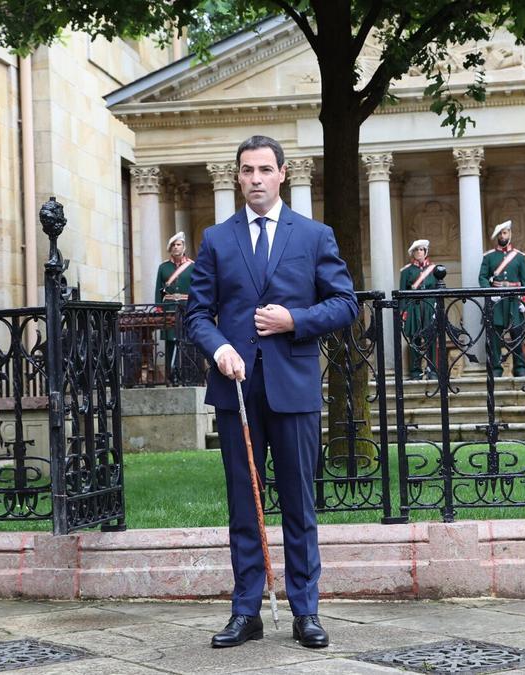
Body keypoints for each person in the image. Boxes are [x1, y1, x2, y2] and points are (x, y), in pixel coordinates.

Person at [184, 135, 358, 650]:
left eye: (264, 169)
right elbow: (196, 314)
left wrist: (295, 319)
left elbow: (346, 303)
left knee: (300, 504)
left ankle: (306, 611)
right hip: (236, 390)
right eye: (246, 170)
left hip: (294, 387)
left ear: (282, 173)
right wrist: (218, 350)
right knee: (245, 503)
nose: (255, 179)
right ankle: (246, 611)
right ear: (237, 177)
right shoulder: (216, 239)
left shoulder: (314, 235)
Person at [478, 221, 525, 377]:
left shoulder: (519, 257)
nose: (503, 236)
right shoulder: (489, 257)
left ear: (510, 234)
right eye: (500, 233)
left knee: (517, 334)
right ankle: (496, 369)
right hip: (497, 300)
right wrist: (489, 292)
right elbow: (482, 277)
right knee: (494, 336)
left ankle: (520, 368)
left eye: (505, 232)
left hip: (514, 299)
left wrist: (524, 301)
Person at [155, 231, 193, 383]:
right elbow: (159, 288)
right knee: (170, 341)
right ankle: (171, 376)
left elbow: (196, 288)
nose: (176, 248)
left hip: (186, 307)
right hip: (169, 308)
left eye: (179, 244)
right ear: (170, 248)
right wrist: (159, 308)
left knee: (185, 340)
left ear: (184, 247)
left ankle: (185, 374)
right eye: (173, 245)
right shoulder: (163, 267)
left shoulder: (192, 267)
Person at [399, 239, 439, 380]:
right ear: (413, 253)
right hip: (413, 308)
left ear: (426, 252)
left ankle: (432, 369)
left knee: (431, 339)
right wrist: (403, 313)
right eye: (416, 250)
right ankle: (415, 371)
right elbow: (402, 294)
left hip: (429, 307)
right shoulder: (407, 271)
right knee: (414, 339)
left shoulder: (434, 270)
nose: (419, 252)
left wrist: (436, 308)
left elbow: (438, 290)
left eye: (421, 249)